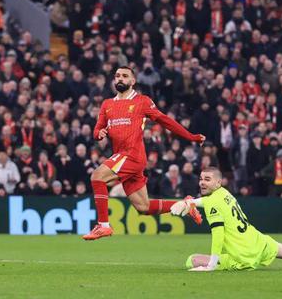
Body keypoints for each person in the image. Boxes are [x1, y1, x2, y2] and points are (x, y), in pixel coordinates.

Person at [83, 66, 205, 240]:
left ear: (132, 81)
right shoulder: (107, 104)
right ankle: (187, 205)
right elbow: (97, 130)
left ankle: (103, 225)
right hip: (122, 157)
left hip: (132, 155)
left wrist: (191, 137)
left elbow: (166, 121)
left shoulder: (142, 101)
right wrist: (99, 133)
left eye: (125, 76)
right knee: (143, 207)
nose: (120, 78)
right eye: (117, 76)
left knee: (97, 176)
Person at [171, 167, 282, 271]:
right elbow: (205, 201)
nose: (202, 183)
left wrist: (211, 265)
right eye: (201, 179)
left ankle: (216, 263)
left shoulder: (212, 203)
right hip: (258, 241)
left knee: (191, 260)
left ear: (218, 182)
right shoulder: (224, 192)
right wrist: (190, 202)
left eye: (207, 179)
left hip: (242, 257)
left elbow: (218, 234)